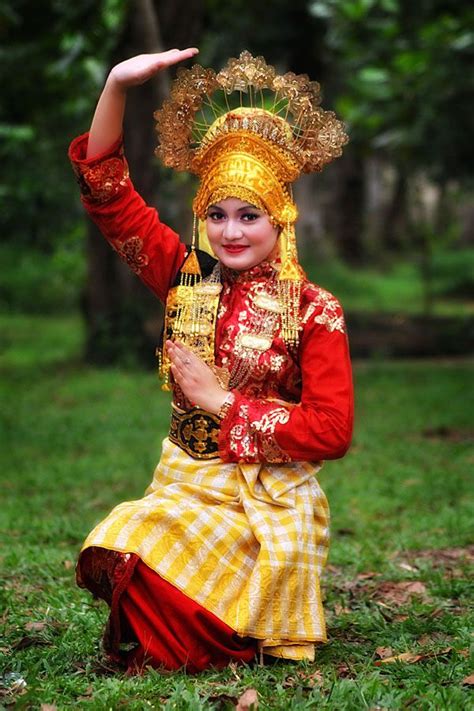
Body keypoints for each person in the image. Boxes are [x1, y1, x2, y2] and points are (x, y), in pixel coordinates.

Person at [69, 48, 353, 674]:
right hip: (184, 482)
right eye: (216, 216)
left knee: (183, 620)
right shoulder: (185, 276)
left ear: (280, 219)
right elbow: (109, 196)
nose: (230, 233)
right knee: (118, 546)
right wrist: (115, 84)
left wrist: (220, 402)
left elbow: (332, 432)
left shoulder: (313, 308)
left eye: (249, 216)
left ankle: (228, 631)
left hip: (264, 499)